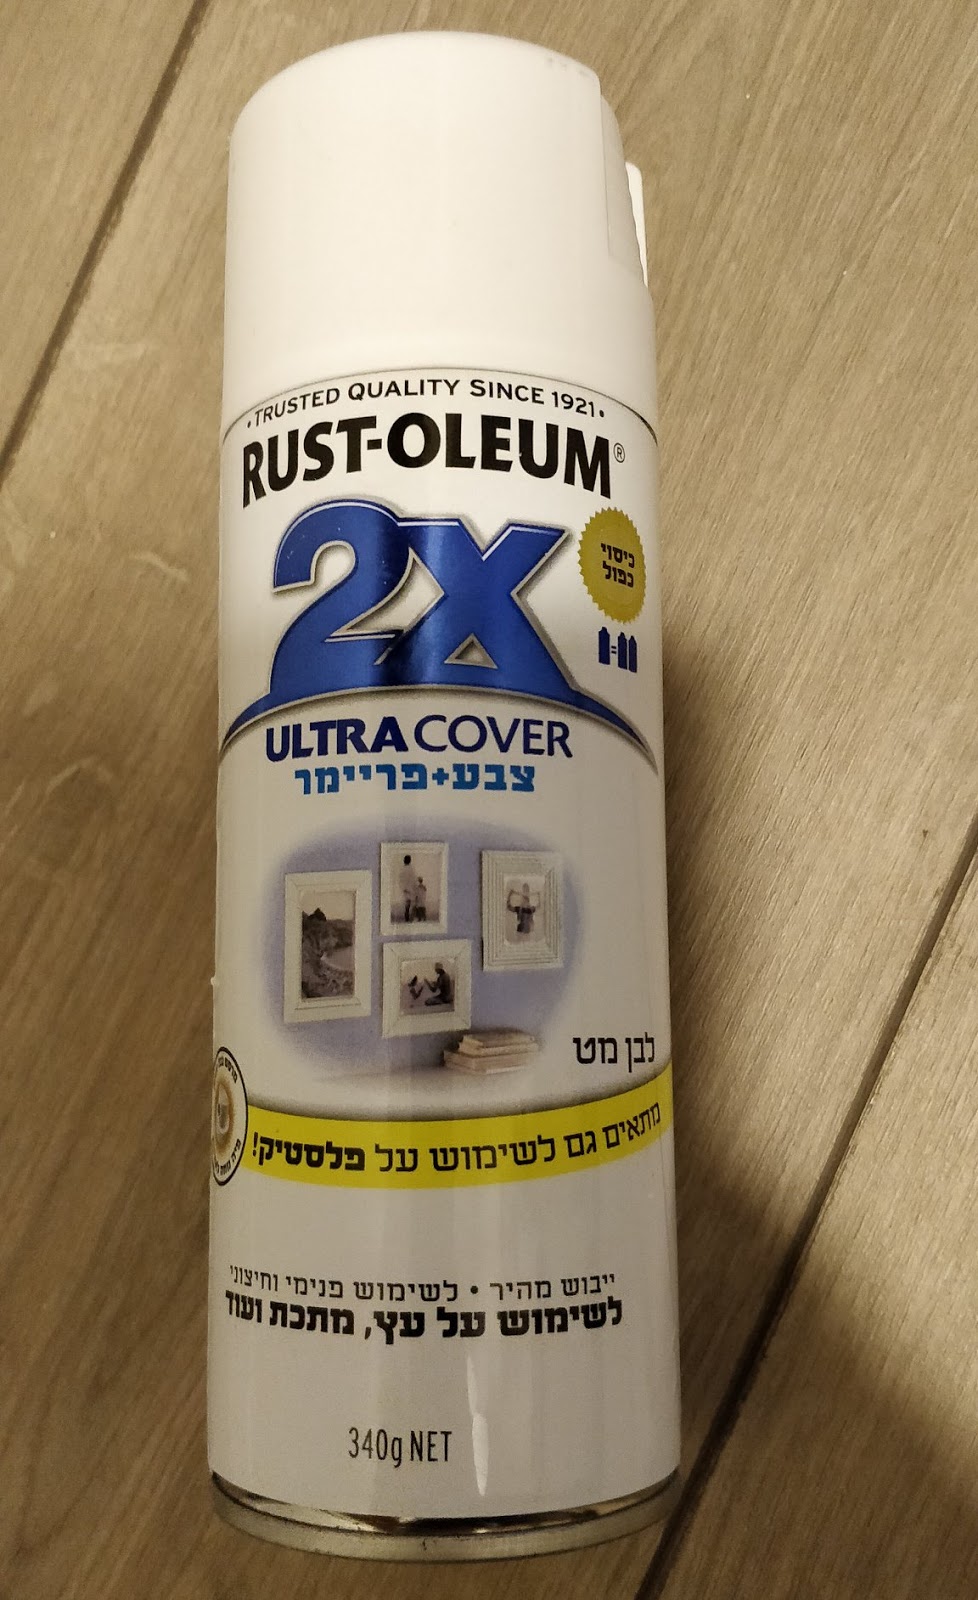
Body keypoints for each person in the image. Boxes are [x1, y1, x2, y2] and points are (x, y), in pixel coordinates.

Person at [398, 854, 418, 922]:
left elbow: (400, 879)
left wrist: (403, 887)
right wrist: (415, 888)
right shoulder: (411, 869)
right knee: (413, 903)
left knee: (407, 904)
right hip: (411, 888)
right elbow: (414, 879)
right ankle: (411, 918)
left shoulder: (402, 869)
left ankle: (407, 917)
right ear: (410, 861)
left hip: (405, 889)